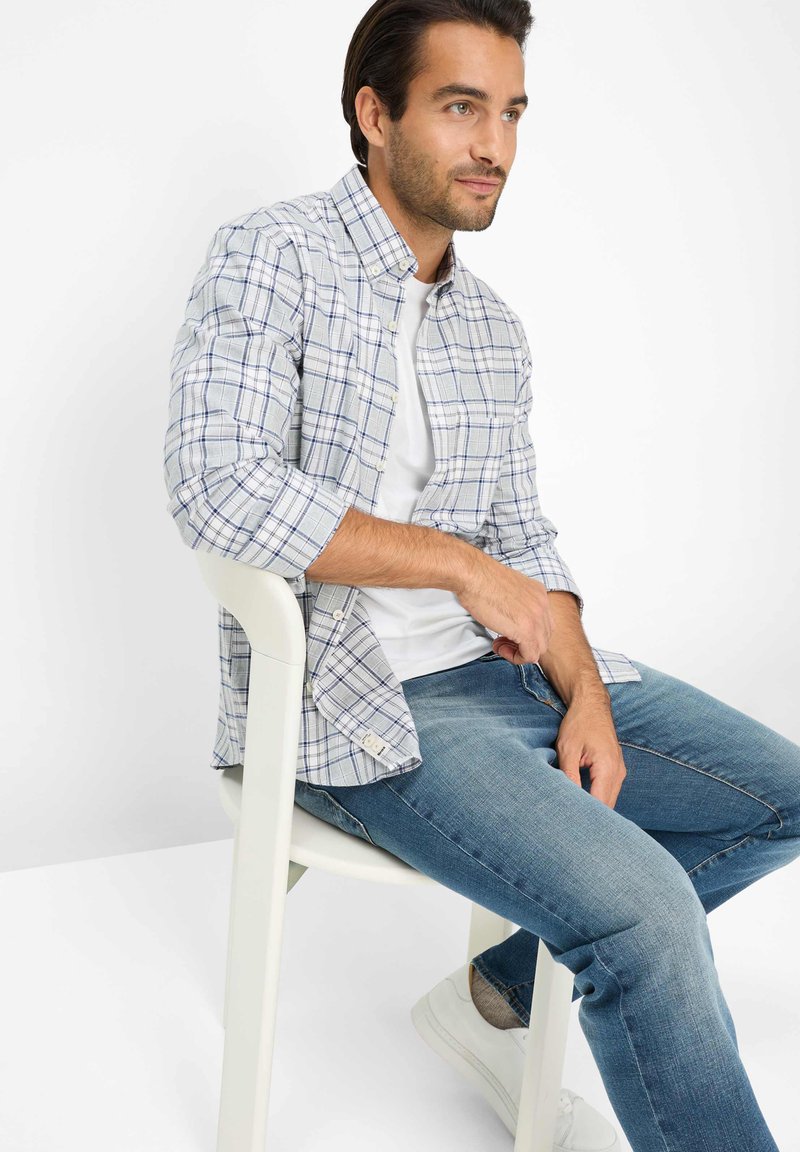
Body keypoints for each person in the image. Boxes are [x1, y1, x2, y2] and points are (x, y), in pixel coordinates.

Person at [163, 1, 800, 1148]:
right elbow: (220, 487)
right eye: (460, 108)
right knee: (644, 914)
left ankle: (494, 992)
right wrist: (457, 568)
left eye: (508, 112)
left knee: (781, 796)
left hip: (502, 675)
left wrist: (583, 690)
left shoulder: (490, 329)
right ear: (374, 114)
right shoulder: (272, 257)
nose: (492, 145)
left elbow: (525, 539)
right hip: (355, 704)